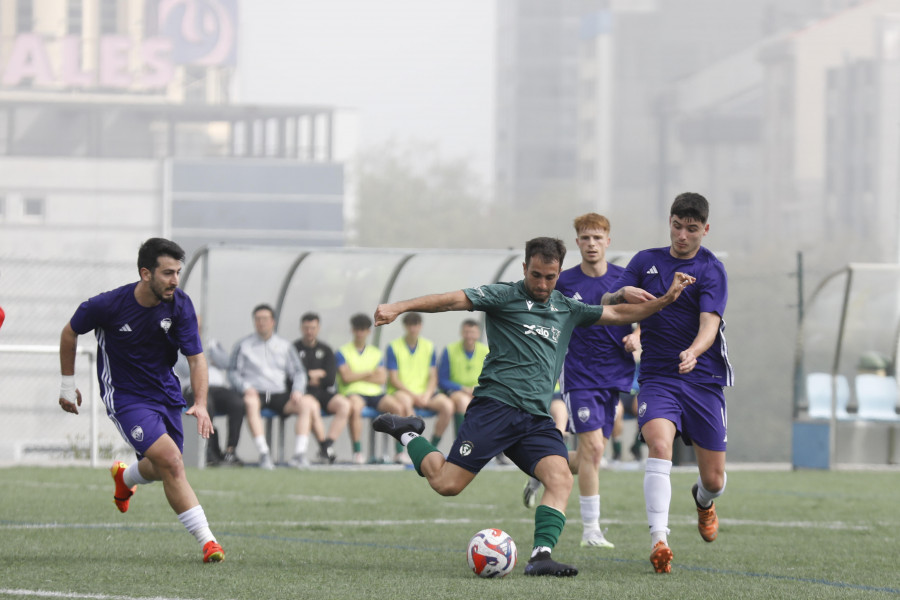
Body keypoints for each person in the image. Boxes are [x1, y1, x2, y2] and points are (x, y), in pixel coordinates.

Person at [371, 236, 694, 577]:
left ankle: (541, 556)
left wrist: (666, 299)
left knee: (559, 479)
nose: (542, 284)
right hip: (494, 409)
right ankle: (409, 432)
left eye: (550, 277)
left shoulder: (566, 308)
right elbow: (451, 300)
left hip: (535, 419)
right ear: (525, 268)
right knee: (446, 484)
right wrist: (399, 307)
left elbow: (617, 312)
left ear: (558, 273)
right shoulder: (503, 296)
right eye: (536, 275)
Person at [57, 237, 224, 563]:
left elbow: (196, 358)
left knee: (164, 466)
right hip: (125, 396)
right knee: (173, 462)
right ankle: (209, 542)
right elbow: (69, 332)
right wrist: (67, 384)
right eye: (167, 273)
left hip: (165, 393)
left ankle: (126, 477)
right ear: (145, 273)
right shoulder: (107, 305)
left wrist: (201, 403)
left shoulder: (180, 305)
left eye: (178, 272)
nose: (175, 280)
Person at [603, 192, 733, 574]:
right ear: (670, 222)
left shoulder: (712, 269)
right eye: (677, 226)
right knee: (659, 444)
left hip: (703, 379)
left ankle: (704, 501)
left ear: (705, 230)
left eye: (692, 230)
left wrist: (694, 350)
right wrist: (621, 291)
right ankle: (659, 540)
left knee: (714, 479)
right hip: (658, 377)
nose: (682, 236)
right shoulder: (646, 261)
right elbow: (610, 301)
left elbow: (711, 323)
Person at [521, 213, 639, 551]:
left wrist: (637, 337)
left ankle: (540, 470)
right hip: (580, 376)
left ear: (608, 242)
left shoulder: (623, 279)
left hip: (614, 377)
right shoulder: (564, 281)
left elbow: (640, 317)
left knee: (592, 455)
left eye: (597, 238)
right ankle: (591, 530)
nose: (591, 244)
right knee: (593, 450)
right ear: (577, 242)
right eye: (585, 238)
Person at [228, 304, 314, 469]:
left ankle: (299, 454)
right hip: (255, 392)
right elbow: (232, 372)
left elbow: (298, 372)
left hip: (279, 393)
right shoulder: (243, 345)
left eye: (265, 319)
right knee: (250, 402)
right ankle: (264, 453)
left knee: (307, 404)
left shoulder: (285, 346)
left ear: (272, 321)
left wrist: (297, 390)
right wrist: (245, 387)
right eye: (258, 319)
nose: (261, 323)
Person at [336, 313, 406, 463]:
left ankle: (399, 453)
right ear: (352, 330)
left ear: (368, 331)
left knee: (397, 407)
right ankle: (357, 452)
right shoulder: (343, 351)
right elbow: (346, 377)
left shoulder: (375, 353)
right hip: (353, 392)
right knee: (355, 408)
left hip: (375, 393)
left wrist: (356, 374)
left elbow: (381, 378)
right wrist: (369, 372)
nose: (360, 333)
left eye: (363, 329)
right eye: (357, 329)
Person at [293, 312, 359, 464]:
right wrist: (313, 375)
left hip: (323, 392)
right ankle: (323, 448)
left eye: (313, 328)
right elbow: (295, 376)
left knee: (345, 405)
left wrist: (309, 375)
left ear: (318, 328)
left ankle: (327, 445)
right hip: (304, 393)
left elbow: (329, 380)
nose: (309, 331)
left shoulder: (326, 349)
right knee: (312, 406)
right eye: (306, 328)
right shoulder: (294, 349)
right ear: (301, 328)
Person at [176, 326, 245, 466]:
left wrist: (210, 350)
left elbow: (227, 363)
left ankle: (230, 452)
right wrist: (202, 358)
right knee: (207, 404)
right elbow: (185, 369)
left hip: (216, 387)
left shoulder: (210, 343)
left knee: (237, 403)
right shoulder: (178, 343)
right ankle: (207, 450)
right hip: (193, 387)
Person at [386, 312, 454, 450]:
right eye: (410, 325)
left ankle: (432, 448)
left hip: (425, 394)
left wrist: (427, 395)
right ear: (405, 326)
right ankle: (410, 449)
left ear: (420, 326)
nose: (413, 329)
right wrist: (414, 396)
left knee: (448, 406)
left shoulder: (429, 346)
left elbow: (433, 376)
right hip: (402, 392)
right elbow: (394, 379)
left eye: (416, 325)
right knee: (405, 403)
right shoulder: (393, 347)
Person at [437, 319, 488, 436]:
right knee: (462, 401)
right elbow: (442, 380)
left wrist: (478, 389)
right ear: (461, 333)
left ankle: (495, 448)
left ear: (478, 334)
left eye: (472, 332)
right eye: (466, 332)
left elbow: (491, 377)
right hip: (455, 391)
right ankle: (460, 440)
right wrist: (462, 388)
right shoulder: (450, 350)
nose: (469, 336)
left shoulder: (486, 351)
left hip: (478, 391)